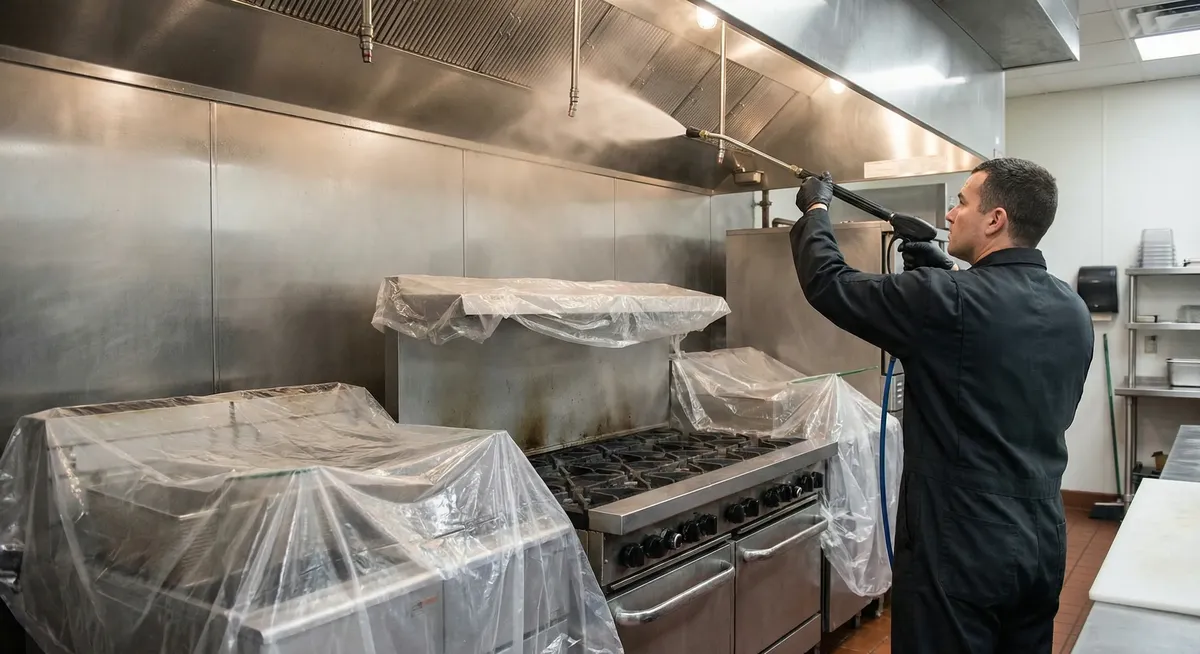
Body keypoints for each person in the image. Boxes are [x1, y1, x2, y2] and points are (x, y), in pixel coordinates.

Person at [789, 159, 1093, 654]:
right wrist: (940, 266)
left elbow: (831, 283)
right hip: (1041, 539)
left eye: (962, 203)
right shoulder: (1071, 308)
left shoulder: (946, 301)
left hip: (959, 544)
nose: (951, 216)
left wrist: (815, 211)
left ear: (995, 219)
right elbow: (996, 353)